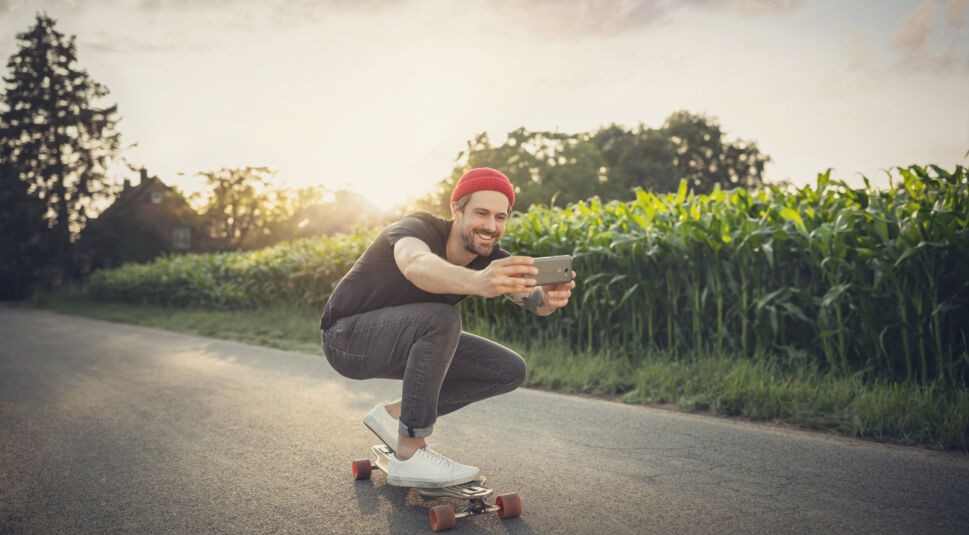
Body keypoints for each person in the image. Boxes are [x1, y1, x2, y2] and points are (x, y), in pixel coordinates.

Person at [320, 167, 576, 488]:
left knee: (508, 369)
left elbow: (530, 297)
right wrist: (478, 281)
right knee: (442, 319)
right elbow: (416, 265)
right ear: (456, 209)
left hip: (403, 343)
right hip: (345, 340)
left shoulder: (489, 257)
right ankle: (411, 452)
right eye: (481, 213)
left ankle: (396, 416)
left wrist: (548, 300)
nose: (491, 226)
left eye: (501, 217)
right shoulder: (416, 229)